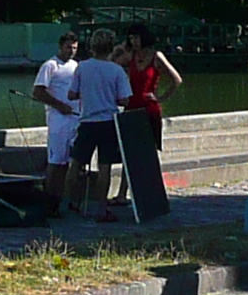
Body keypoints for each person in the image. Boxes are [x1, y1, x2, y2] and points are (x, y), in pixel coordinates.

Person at [114, 25, 184, 218]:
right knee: (129, 152)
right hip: (131, 106)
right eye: (131, 38)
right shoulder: (131, 57)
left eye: (136, 38)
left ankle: (151, 194)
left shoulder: (156, 56)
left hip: (149, 108)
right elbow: (110, 65)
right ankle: (122, 193)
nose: (133, 42)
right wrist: (119, 49)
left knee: (149, 152)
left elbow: (176, 79)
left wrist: (161, 97)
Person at [68, 34, 131, 219]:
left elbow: (72, 94)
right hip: (108, 122)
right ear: (111, 48)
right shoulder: (116, 70)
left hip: (87, 122)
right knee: (105, 166)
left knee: (76, 163)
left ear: (92, 47)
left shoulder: (82, 67)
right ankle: (102, 208)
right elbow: (125, 99)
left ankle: (67, 203)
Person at [31, 32, 84, 206]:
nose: (71, 51)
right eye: (69, 47)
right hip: (58, 122)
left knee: (71, 163)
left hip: (76, 120)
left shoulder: (77, 66)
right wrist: (59, 105)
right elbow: (38, 92)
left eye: (75, 48)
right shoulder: (50, 66)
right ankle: (49, 200)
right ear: (61, 47)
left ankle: (65, 199)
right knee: (56, 162)